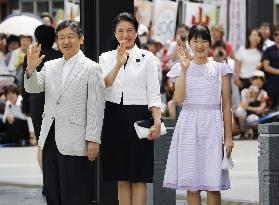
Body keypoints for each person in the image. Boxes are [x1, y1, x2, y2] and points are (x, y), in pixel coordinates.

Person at [24, 20, 105, 205]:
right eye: (61, 37)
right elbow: (33, 88)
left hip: (75, 138)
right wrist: (31, 68)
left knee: (74, 192)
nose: (65, 41)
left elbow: (96, 106)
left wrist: (93, 139)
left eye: (70, 36)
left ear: (81, 39)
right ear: (57, 41)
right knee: (52, 190)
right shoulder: (50, 65)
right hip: (49, 135)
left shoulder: (91, 68)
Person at [163, 24, 234, 205]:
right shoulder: (181, 68)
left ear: (210, 43)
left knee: (213, 185)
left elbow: (226, 106)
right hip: (188, 125)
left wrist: (229, 137)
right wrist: (185, 69)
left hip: (212, 125)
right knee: (192, 185)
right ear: (189, 43)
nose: (200, 45)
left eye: (204, 41)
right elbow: (179, 99)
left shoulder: (220, 69)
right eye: (195, 41)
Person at [99, 12, 161, 205]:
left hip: (139, 117)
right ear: (114, 33)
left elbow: (154, 93)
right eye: (120, 31)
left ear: (136, 32)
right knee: (121, 175)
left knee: (139, 175)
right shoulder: (106, 57)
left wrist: (157, 122)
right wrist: (118, 64)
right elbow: (104, 85)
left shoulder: (148, 57)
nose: (125, 35)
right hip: (113, 117)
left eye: (130, 30)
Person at [21, 24, 62, 195]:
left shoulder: (31, 55)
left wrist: (26, 106)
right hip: (55, 104)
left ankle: (47, 184)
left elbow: (24, 83)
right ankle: (58, 181)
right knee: (57, 144)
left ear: (37, 38)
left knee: (42, 144)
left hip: (36, 103)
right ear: (54, 38)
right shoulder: (59, 56)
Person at [235, 70, 268, 139]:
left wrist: (247, 107)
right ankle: (243, 131)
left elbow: (261, 109)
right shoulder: (245, 91)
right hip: (244, 117)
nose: (258, 81)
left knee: (253, 118)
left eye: (261, 79)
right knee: (240, 110)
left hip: (255, 116)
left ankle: (255, 131)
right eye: (255, 78)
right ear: (251, 80)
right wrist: (249, 94)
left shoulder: (264, 93)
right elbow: (243, 106)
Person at [263, 24, 279, 110]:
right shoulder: (269, 50)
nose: (278, 36)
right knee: (271, 107)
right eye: (276, 34)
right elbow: (266, 67)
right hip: (272, 83)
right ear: (273, 36)